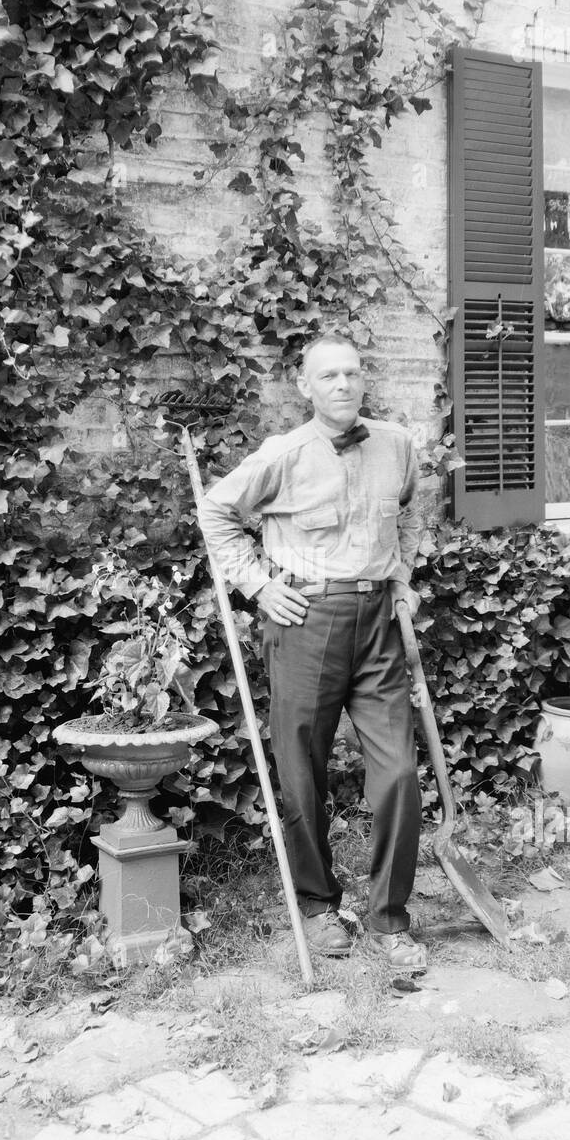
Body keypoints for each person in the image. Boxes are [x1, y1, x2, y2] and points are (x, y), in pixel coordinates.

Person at [197, 334, 428, 971]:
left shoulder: (397, 446)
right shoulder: (283, 454)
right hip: (306, 622)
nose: (343, 385)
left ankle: (388, 918)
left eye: (352, 373)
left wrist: (403, 581)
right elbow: (216, 513)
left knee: (399, 772)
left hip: (378, 619)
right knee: (302, 769)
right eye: (328, 376)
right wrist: (258, 585)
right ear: (304, 386)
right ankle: (320, 905)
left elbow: (410, 517)